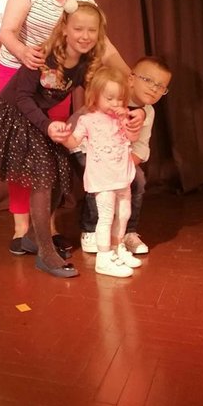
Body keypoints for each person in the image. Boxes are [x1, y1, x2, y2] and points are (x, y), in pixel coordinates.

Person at [0, 0, 134, 256]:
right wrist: (24, 52)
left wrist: (128, 75)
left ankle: (48, 226)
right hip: (19, 74)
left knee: (53, 150)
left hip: (57, 81)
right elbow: (7, 32)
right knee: (23, 152)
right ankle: (21, 228)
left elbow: (102, 43)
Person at [0, 1, 107, 278]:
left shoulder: (84, 63)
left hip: (38, 119)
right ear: (65, 29)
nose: (85, 36)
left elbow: (98, 92)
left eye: (91, 30)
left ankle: (34, 237)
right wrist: (47, 126)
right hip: (14, 114)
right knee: (43, 178)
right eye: (78, 29)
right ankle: (45, 253)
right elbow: (22, 97)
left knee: (57, 174)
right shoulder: (44, 56)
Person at [76, 56, 172, 256]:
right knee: (104, 182)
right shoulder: (115, 96)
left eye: (161, 86)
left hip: (119, 156)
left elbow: (141, 146)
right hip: (88, 148)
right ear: (131, 79)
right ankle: (91, 229)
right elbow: (90, 127)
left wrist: (124, 169)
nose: (154, 88)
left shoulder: (149, 112)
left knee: (137, 179)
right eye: (148, 80)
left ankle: (127, 232)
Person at [63, 65, 142, 277]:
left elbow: (133, 138)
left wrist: (127, 120)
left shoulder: (122, 118)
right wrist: (63, 136)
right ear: (95, 96)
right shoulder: (87, 120)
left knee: (124, 214)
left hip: (122, 176)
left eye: (120, 99)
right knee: (106, 217)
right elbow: (73, 142)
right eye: (110, 98)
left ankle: (117, 248)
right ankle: (104, 257)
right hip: (103, 178)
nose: (115, 103)